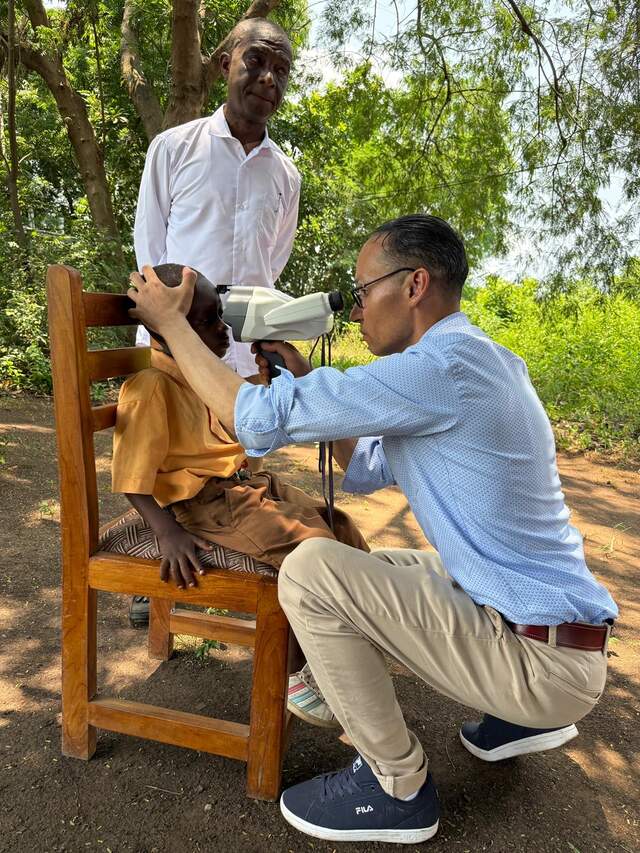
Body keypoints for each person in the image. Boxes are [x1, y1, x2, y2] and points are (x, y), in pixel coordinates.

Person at [126, 214, 618, 845]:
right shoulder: (480, 360)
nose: (355, 311)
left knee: (308, 572)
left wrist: (169, 323)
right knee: (388, 567)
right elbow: (362, 470)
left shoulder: (437, 369)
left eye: (362, 292)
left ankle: (396, 786)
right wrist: (305, 379)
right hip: (561, 638)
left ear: (414, 285)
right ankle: (519, 719)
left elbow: (253, 419)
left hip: (542, 662)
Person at [129, 16, 300, 625]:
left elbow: (270, 264)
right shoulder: (173, 149)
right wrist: (168, 330)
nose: (268, 77)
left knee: (230, 467)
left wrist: (252, 337)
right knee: (163, 455)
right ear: (226, 61)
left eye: (281, 68)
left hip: (238, 349)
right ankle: (153, 569)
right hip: (176, 342)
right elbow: (150, 255)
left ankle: (235, 552)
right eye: (257, 60)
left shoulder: (286, 175)